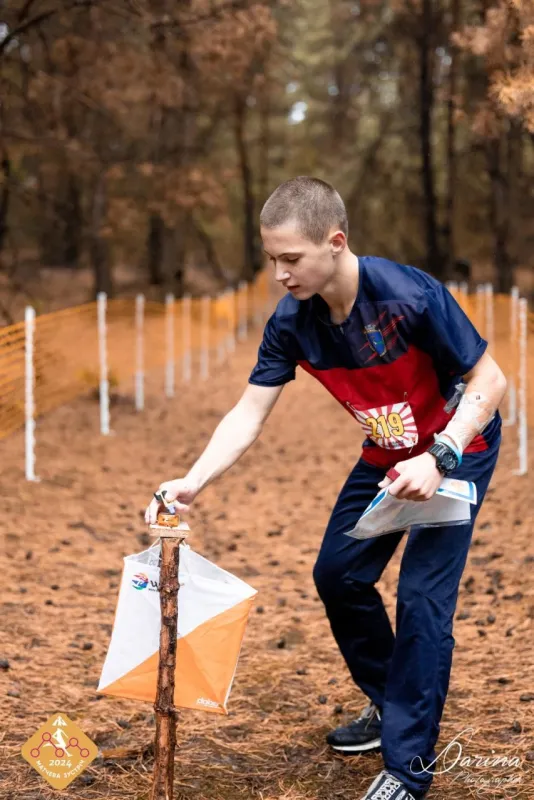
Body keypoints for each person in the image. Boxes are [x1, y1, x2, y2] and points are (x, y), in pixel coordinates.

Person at [145, 177, 506, 800]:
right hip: (388, 453)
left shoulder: (408, 296)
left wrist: (441, 456)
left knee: (422, 601)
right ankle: (392, 703)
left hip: (459, 449)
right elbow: (249, 412)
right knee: (337, 575)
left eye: (292, 259)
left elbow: (490, 379)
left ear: (335, 243)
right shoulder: (293, 322)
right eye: (272, 260)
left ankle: (408, 767)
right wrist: (194, 479)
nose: (280, 273)